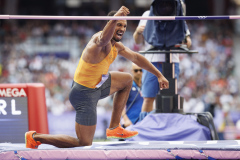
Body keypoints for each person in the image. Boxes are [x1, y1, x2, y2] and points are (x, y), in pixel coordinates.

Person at [25, 6, 169, 149]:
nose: (122, 28)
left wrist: (159, 75)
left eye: (124, 25)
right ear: (110, 23)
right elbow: (103, 39)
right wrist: (115, 18)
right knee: (84, 142)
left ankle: (114, 128)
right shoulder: (97, 41)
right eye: (119, 24)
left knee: (127, 79)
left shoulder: (117, 46)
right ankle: (35, 137)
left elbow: (137, 58)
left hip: (98, 87)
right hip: (83, 94)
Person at [133, 0, 192, 118]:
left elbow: (188, 43)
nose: (165, 6)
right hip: (151, 62)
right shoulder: (147, 15)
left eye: (168, 4)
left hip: (171, 62)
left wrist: (183, 40)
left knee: (169, 97)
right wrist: (138, 32)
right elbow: (138, 41)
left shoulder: (178, 14)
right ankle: (145, 126)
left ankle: (167, 127)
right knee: (148, 97)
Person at [121, 63, 143, 128]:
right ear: (132, 71)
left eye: (141, 70)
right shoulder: (128, 86)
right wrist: (126, 120)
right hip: (131, 121)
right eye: (136, 70)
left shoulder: (146, 86)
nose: (138, 72)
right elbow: (121, 106)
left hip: (143, 121)